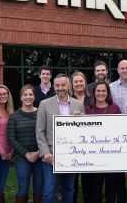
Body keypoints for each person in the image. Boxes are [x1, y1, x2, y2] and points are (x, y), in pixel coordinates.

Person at [36, 74, 85, 203]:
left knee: (69, 189)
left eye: (63, 85)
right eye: (57, 85)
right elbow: (40, 131)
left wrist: (78, 121)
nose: (60, 88)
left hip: (71, 155)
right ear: (54, 86)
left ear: (68, 86)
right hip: (51, 156)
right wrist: (45, 152)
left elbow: (84, 130)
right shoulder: (44, 104)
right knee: (49, 191)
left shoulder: (78, 105)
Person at [85, 81, 121, 203]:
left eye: (103, 91)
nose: (101, 93)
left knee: (111, 190)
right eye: (98, 91)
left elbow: (121, 130)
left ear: (108, 93)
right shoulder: (88, 109)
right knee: (95, 190)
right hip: (94, 157)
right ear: (94, 93)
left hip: (112, 156)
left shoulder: (115, 108)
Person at [7, 85, 43, 203]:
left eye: (30, 94)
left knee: (39, 188)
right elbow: (11, 138)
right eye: (25, 95)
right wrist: (26, 154)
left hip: (40, 156)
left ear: (34, 96)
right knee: (23, 188)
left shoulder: (41, 113)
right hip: (21, 157)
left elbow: (46, 134)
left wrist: (38, 153)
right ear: (21, 97)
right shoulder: (14, 116)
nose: (28, 97)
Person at [109, 59, 127, 203]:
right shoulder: (111, 87)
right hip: (116, 134)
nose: (125, 70)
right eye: (122, 68)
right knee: (117, 172)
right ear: (118, 70)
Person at [70, 71, 90, 203]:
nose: (78, 84)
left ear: (85, 82)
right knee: (72, 181)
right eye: (76, 81)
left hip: (90, 143)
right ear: (72, 84)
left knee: (89, 181)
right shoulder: (67, 99)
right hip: (71, 143)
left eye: (81, 81)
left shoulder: (92, 98)